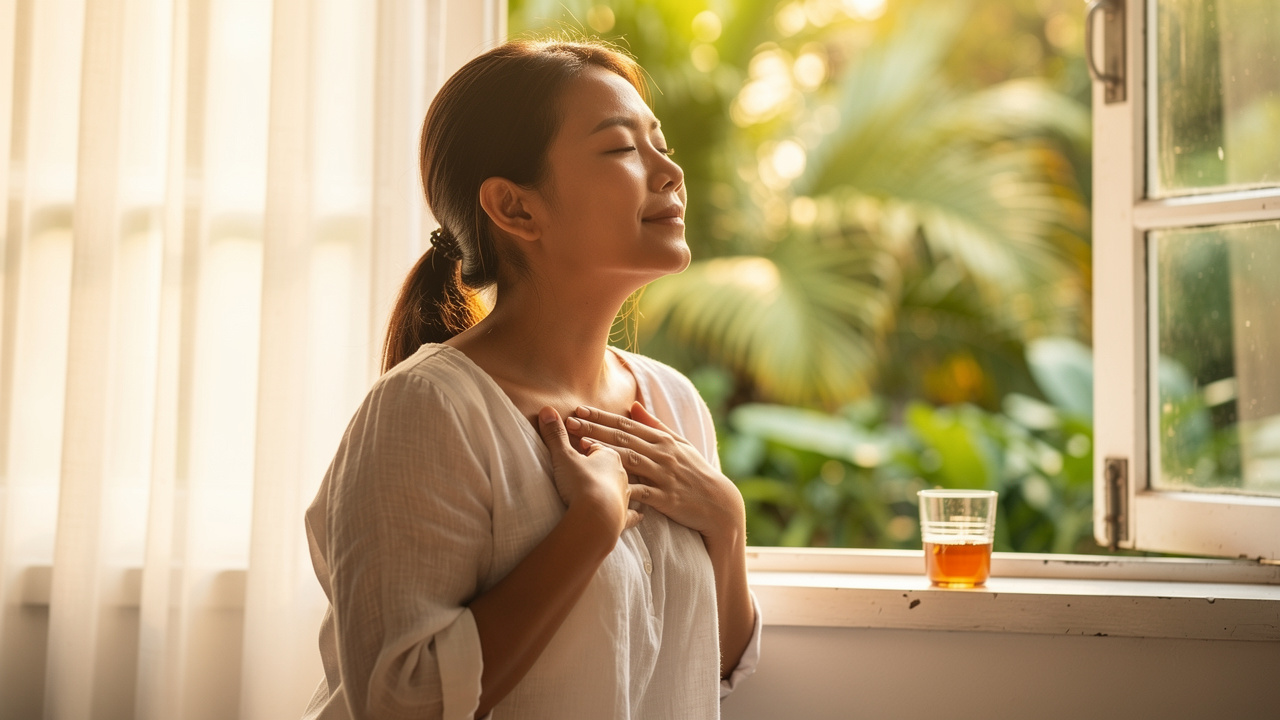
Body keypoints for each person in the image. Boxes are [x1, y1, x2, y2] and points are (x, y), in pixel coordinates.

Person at [303, 39, 761, 720]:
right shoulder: (427, 411)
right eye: (620, 150)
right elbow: (403, 701)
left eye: (658, 143)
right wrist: (590, 529)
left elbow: (712, 670)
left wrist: (726, 522)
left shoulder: (674, 404)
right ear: (515, 209)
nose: (669, 172)